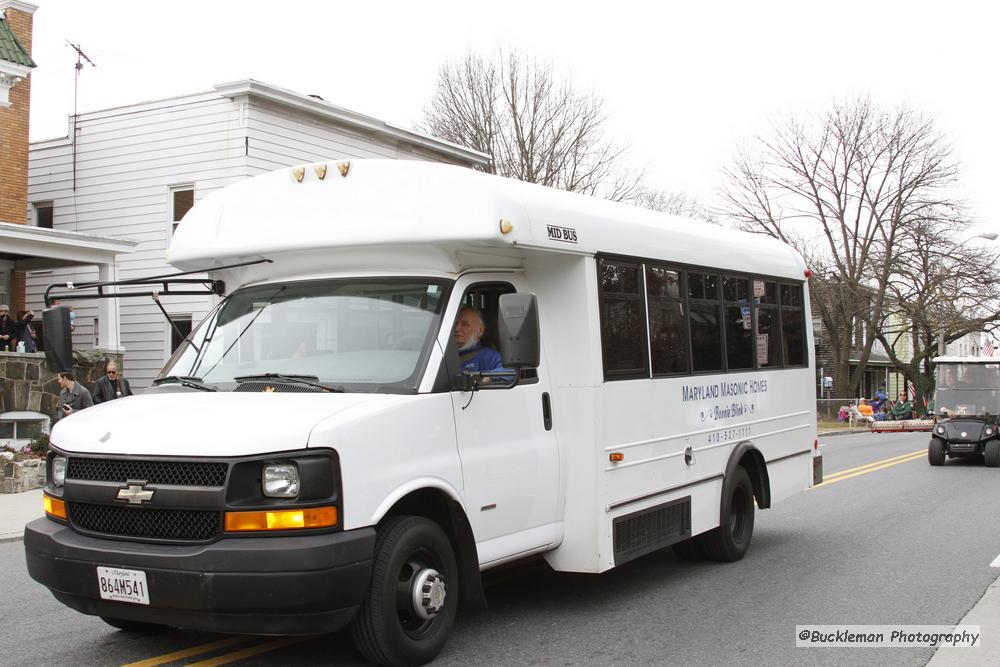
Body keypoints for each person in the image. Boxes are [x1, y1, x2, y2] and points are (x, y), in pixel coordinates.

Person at [453, 306, 505, 372]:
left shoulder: (490, 357)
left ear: (480, 331)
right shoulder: (442, 355)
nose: (456, 329)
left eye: (465, 324)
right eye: (455, 324)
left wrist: (489, 377)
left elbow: (509, 371)